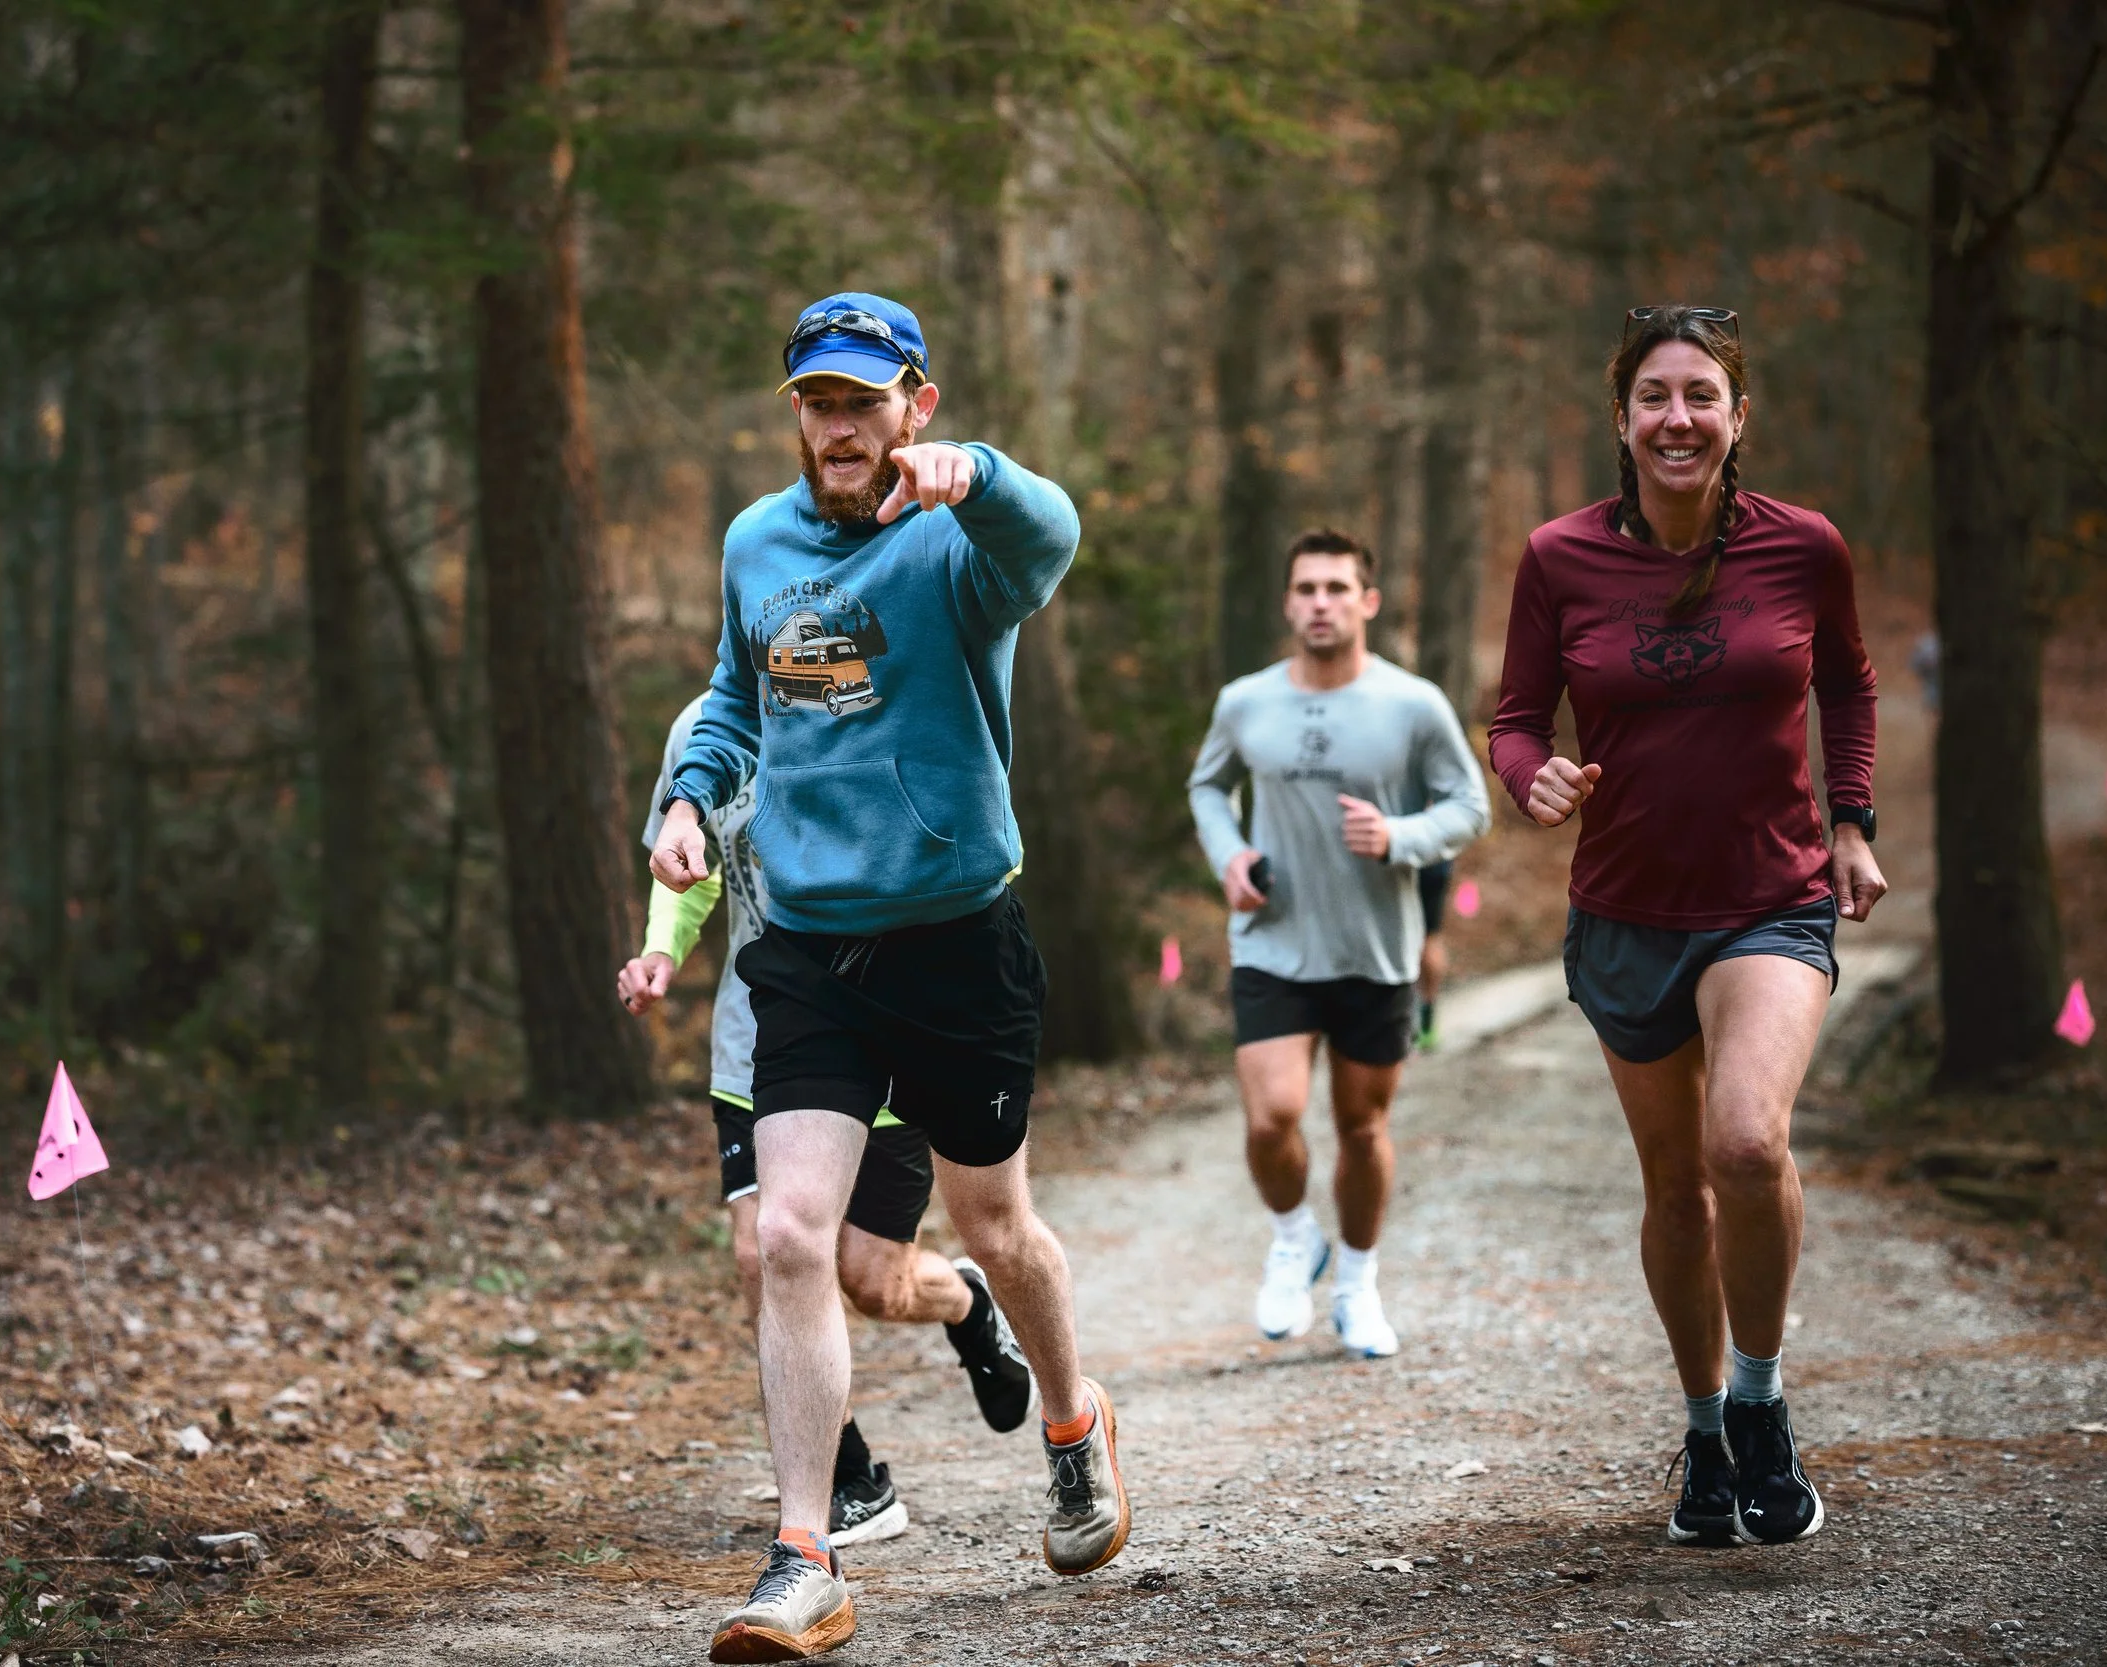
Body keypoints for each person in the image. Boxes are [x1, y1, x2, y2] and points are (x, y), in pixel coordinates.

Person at [652, 293, 1127, 1663]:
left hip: (959, 940)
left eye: (863, 401)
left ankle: (1073, 1415)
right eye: (817, 401)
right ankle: (807, 1550)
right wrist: (693, 796)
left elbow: (1055, 536)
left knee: (997, 1226)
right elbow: (738, 692)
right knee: (792, 1234)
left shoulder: (957, 543)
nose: (839, 426)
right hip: (805, 942)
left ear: (914, 403)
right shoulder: (756, 540)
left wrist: (970, 473)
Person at [1487, 305, 1884, 1549]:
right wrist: (1528, 775)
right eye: (1654, 396)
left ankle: (1761, 1406)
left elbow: (1847, 678)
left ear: (1735, 415)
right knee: (1672, 1186)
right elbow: (1514, 714)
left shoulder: (1802, 546)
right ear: (1622, 419)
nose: (1677, 417)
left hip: (1770, 894)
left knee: (1745, 1143)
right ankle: (1703, 1428)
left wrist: (1855, 820)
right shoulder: (1558, 556)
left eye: (1700, 394)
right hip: (1623, 909)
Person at [617, 693, 1037, 1549]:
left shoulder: (880, 702)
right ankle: (849, 1475)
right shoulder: (699, 730)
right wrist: (662, 948)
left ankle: (964, 1303)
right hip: (758, 1045)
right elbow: (689, 875)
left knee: (873, 1278)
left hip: (885, 1034)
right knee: (763, 1249)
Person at [1188, 529, 1489, 1357]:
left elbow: (1469, 806)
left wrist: (1398, 835)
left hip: (1374, 948)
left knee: (1362, 1127)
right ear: (1288, 603)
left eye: (1336, 587)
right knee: (1273, 1114)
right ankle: (1293, 1237)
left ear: (1367, 601)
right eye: (1306, 588)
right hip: (1272, 938)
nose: (1320, 602)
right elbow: (1207, 785)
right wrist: (1230, 855)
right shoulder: (1244, 701)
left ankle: (1357, 1280)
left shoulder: (1413, 704)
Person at [1414, 860, 1453, 1050]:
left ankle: (1412, 1023)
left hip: (1398, 857)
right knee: (1430, 936)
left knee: (1421, 939)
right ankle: (1426, 1022)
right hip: (1436, 858)